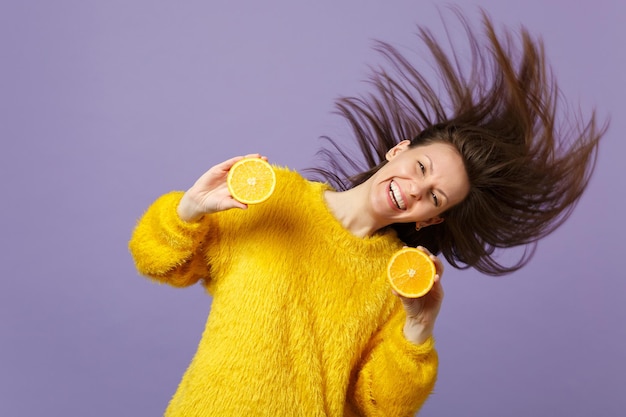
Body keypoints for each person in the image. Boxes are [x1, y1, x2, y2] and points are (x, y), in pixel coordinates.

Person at [129, 9, 605, 417]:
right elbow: (158, 262)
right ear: (397, 151)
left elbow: (376, 406)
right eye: (420, 166)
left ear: (430, 219)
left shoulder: (394, 283)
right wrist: (188, 211)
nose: (416, 188)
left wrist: (418, 326)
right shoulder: (277, 198)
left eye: (435, 197)